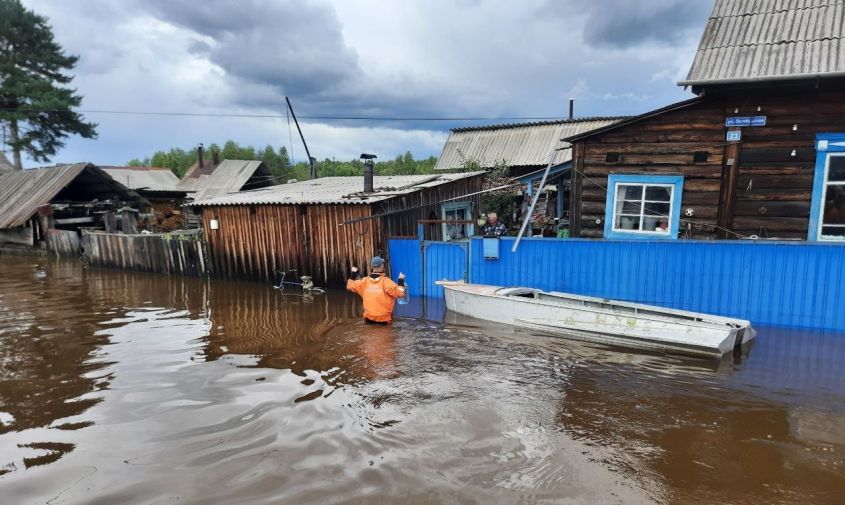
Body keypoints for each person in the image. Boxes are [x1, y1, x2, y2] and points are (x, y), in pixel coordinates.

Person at [346, 256, 406, 324]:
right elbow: (400, 293)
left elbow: (349, 286)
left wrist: (353, 272)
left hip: (368, 319)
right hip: (384, 320)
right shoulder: (386, 282)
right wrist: (401, 280)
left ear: (372, 267)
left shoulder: (364, 281)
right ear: (382, 266)